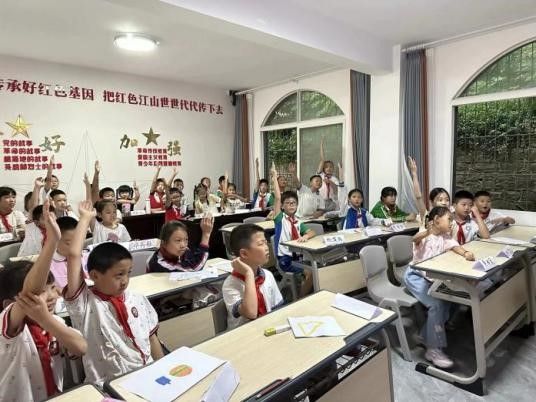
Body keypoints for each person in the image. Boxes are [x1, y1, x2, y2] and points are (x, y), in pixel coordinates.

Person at [64, 201, 163, 385]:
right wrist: (85, 219)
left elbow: (152, 338)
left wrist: (162, 369)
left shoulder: (137, 299)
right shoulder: (85, 304)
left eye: (128, 273)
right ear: (94, 275)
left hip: (147, 375)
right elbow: (73, 256)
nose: (125, 280)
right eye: (118, 275)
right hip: (109, 385)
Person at [0, 202, 87, 401]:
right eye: (42, 292)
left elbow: (81, 347)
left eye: (52, 288)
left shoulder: (52, 322)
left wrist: (47, 320)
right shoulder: (7, 327)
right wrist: (52, 241)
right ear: (9, 305)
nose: (53, 295)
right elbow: (29, 292)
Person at [404, 206, 475, 369]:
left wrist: (465, 253)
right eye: (449, 219)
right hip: (415, 276)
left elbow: (455, 246)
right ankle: (433, 350)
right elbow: (414, 239)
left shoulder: (444, 237)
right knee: (436, 304)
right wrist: (427, 232)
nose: (451, 223)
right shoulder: (425, 236)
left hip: (431, 277)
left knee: (449, 299)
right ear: (436, 220)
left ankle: (425, 335)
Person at [222, 224, 284, 330]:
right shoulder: (231, 284)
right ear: (244, 254)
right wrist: (249, 274)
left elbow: (278, 308)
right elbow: (251, 313)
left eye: (266, 242)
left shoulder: (267, 275)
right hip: (243, 335)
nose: (267, 247)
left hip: (268, 328)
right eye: (261, 244)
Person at [272, 163, 315, 296]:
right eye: (288, 203)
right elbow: (278, 197)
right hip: (285, 260)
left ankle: (305, 291)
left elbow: (311, 232)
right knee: (311, 273)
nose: (291, 205)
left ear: (297, 206)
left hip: (298, 258)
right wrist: (274, 177)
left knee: (318, 268)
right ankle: (301, 299)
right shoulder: (280, 219)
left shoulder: (297, 221)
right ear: (282, 206)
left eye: (294, 203)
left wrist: (305, 236)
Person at [147, 218, 212, 273]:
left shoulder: (180, 251)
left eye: (186, 240)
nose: (183, 245)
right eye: (178, 240)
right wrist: (206, 234)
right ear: (164, 243)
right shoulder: (159, 263)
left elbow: (194, 262)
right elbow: (194, 269)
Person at [50, 216, 89, 291]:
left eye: (79, 241)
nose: (76, 247)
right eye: (69, 243)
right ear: (55, 240)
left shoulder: (87, 257)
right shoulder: (49, 266)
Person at [317, 137, 340, 210]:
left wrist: (330, 182)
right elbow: (322, 159)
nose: (329, 168)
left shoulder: (334, 178)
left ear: (333, 169)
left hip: (331, 202)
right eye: (326, 167)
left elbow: (337, 189)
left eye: (331, 167)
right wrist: (321, 145)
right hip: (321, 200)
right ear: (323, 168)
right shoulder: (320, 175)